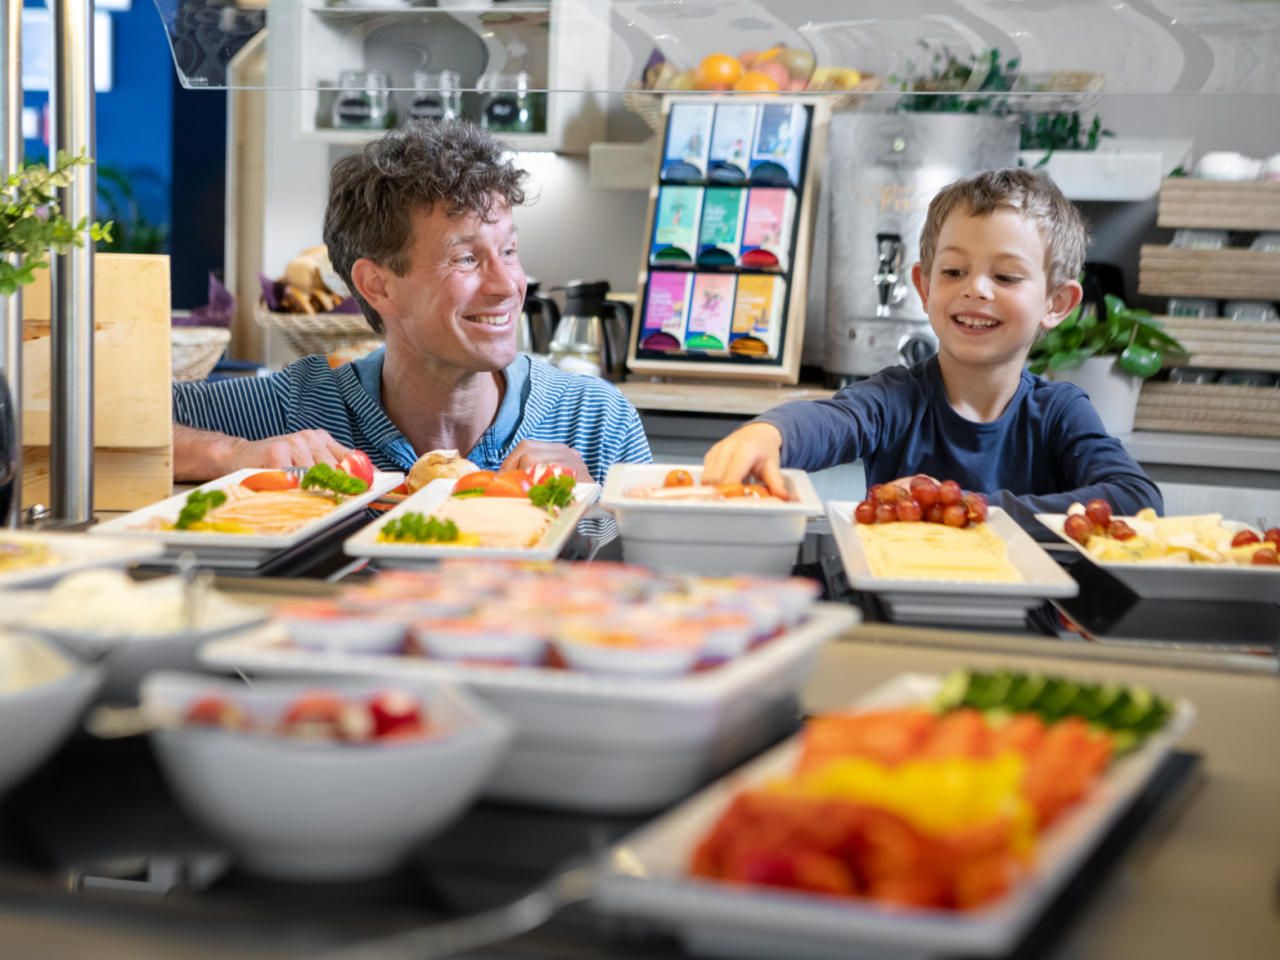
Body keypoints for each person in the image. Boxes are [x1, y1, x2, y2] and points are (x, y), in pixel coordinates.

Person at [172, 120, 651, 484]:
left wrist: (595, 513)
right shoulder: (299, 407)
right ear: (377, 285)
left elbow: (657, 591)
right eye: (466, 259)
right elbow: (105, 427)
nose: (508, 285)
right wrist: (232, 455)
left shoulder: (594, 421)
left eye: (508, 250)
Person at [702, 168, 1163, 530]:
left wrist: (962, 507)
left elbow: (1136, 499)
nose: (976, 289)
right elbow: (831, 420)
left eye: (1005, 277)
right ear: (923, 286)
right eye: (954, 272)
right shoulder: (897, 398)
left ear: (1056, 303)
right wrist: (770, 434)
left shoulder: (1060, 413)